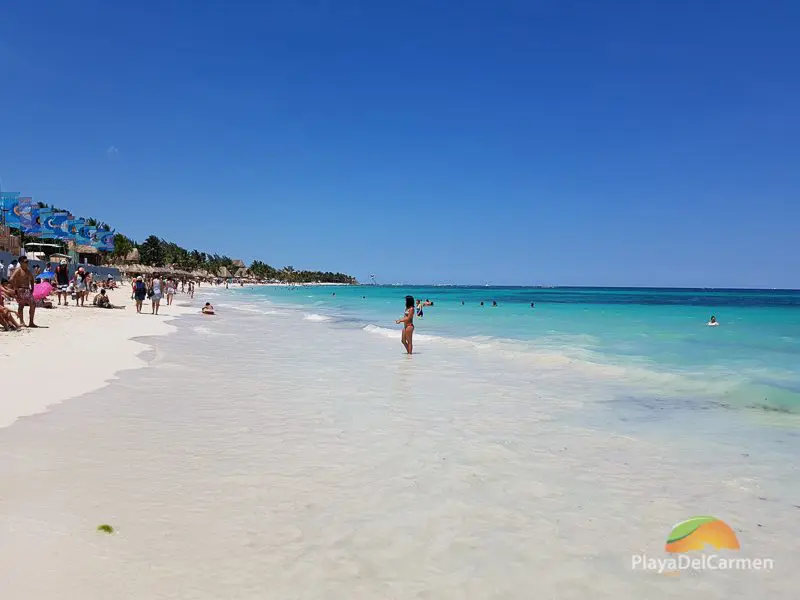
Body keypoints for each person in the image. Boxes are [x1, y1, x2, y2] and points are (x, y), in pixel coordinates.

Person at [9, 256, 36, 327]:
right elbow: (11, 279)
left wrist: (32, 288)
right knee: (21, 306)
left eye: (28, 262)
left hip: (27, 290)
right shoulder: (18, 270)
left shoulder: (28, 270)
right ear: (21, 263)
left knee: (33, 304)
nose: (27, 263)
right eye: (26, 262)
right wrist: (16, 288)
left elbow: (32, 279)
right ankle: (21, 322)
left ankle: (31, 322)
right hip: (20, 290)